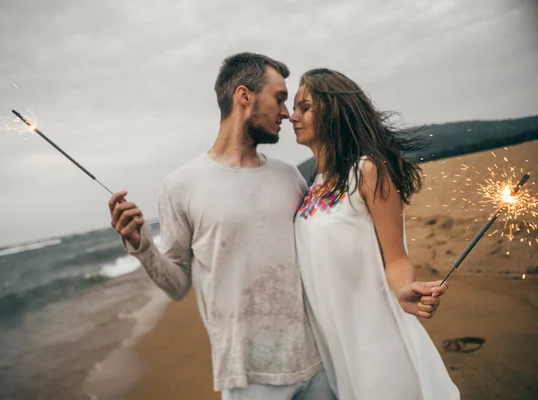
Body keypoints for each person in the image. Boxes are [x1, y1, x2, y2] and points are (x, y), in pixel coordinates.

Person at [108, 53, 336, 399]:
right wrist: (143, 248)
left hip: (318, 364)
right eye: (279, 99)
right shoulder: (180, 185)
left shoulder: (289, 177)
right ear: (244, 97)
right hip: (248, 379)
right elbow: (177, 285)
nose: (286, 113)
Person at [289, 68, 460, 400]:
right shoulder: (313, 187)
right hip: (336, 348)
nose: (292, 117)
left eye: (304, 107)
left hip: (376, 340)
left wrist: (404, 288)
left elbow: (395, 257)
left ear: (332, 110)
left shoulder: (368, 171)